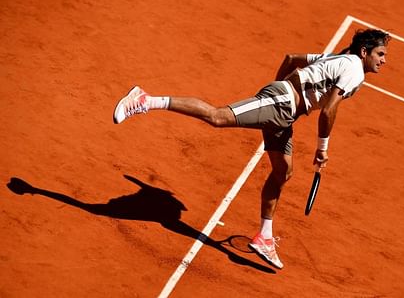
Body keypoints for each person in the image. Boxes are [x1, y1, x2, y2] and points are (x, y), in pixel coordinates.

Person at [113, 29, 390, 269]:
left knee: (284, 170)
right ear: (365, 52)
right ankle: (146, 100)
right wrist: (320, 146)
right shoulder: (354, 69)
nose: (383, 60)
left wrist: (281, 89)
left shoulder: (337, 58)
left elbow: (291, 59)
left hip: (284, 109)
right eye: (380, 54)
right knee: (217, 117)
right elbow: (328, 110)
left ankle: (265, 237)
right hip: (281, 104)